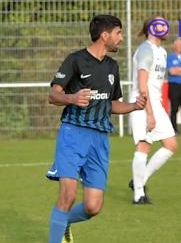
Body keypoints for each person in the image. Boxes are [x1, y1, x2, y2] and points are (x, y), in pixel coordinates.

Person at [47, 15, 146, 243]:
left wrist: (133, 106)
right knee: (68, 195)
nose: (121, 38)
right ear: (105, 35)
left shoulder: (112, 66)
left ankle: (64, 222)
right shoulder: (75, 60)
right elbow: (53, 95)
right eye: (118, 33)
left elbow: (110, 103)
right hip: (73, 133)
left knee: (93, 206)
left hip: (100, 139)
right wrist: (72, 98)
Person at [129, 15, 178, 204]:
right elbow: (143, 85)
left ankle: (139, 181)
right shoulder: (146, 50)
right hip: (142, 102)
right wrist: (149, 112)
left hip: (155, 102)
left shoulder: (162, 52)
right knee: (143, 146)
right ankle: (138, 195)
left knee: (171, 145)